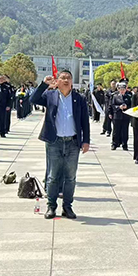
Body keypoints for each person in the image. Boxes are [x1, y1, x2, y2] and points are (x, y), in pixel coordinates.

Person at [31, 70, 90, 219]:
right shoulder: (50, 95)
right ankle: (51, 207)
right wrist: (44, 84)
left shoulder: (79, 98)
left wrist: (86, 141)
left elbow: (85, 121)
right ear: (57, 81)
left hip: (73, 142)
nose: (66, 80)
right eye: (62, 78)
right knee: (52, 176)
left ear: (72, 82)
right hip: (54, 141)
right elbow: (33, 99)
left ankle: (67, 207)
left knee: (70, 177)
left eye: (68, 78)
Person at [109, 81, 132, 151]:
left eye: (123, 89)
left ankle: (125, 144)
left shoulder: (129, 96)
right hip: (117, 115)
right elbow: (112, 105)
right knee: (116, 131)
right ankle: (114, 144)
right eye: (120, 89)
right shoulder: (115, 96)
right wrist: (119, 107)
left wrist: (126, 107)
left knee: (125, 131)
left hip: (125, 116)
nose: (122, 90)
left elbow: (132, 105)